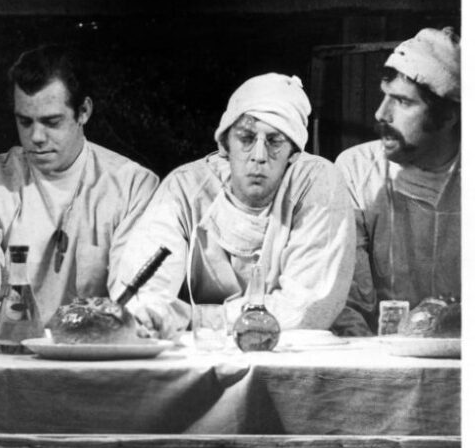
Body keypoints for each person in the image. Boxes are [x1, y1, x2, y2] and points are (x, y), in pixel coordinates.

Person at [0, 44, 159, 342]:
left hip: (97, 358)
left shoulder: (132, 186)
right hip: (13, 357)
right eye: (25, 122)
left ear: (83, 111)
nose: (36, 137)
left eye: (51, 122)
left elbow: (132, 297)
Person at [115, 72, 355, 335]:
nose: (259, 156)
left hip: (289, 354)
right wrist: (151, 316)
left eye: (275, 141)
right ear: (224, 144)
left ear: (295, 153)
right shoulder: (184, 189)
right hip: (200, 354)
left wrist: (200, 319)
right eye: (246, 138)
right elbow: (142, 291)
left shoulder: (317, 183)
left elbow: (306, 309)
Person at [334, 27, 460, 335]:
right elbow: (348, 305)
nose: (380, 114)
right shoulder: (356, 170)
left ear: (448, 116)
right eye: (384, 96)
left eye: (403, 102)